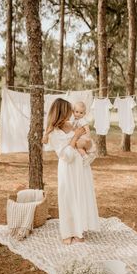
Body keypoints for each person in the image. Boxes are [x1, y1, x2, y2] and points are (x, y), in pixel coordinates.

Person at [44, 98, 100, 245]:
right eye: (69, 110)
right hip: (68, 169)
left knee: (81, 197)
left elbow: (88, 142)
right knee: (68, 198)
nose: (71, 113)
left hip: (81, 167)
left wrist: (83, 143)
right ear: (62, 112)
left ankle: (79, 230)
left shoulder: (73, 124)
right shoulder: (53, 133)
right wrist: (75, 138)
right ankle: (68, 231)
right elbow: (66, 155)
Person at [71, 101, 97, 165]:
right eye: (76, 112)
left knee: (78, 147)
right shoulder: (75, 120)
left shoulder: (82, 120)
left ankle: (86, 157)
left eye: (81, 113)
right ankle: (88, 155)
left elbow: (87, 128)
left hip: (83, 137)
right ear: (73, 112)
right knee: (79, 147)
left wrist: (88, 137)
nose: (78, 114)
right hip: (79, 137)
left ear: (84, 114)